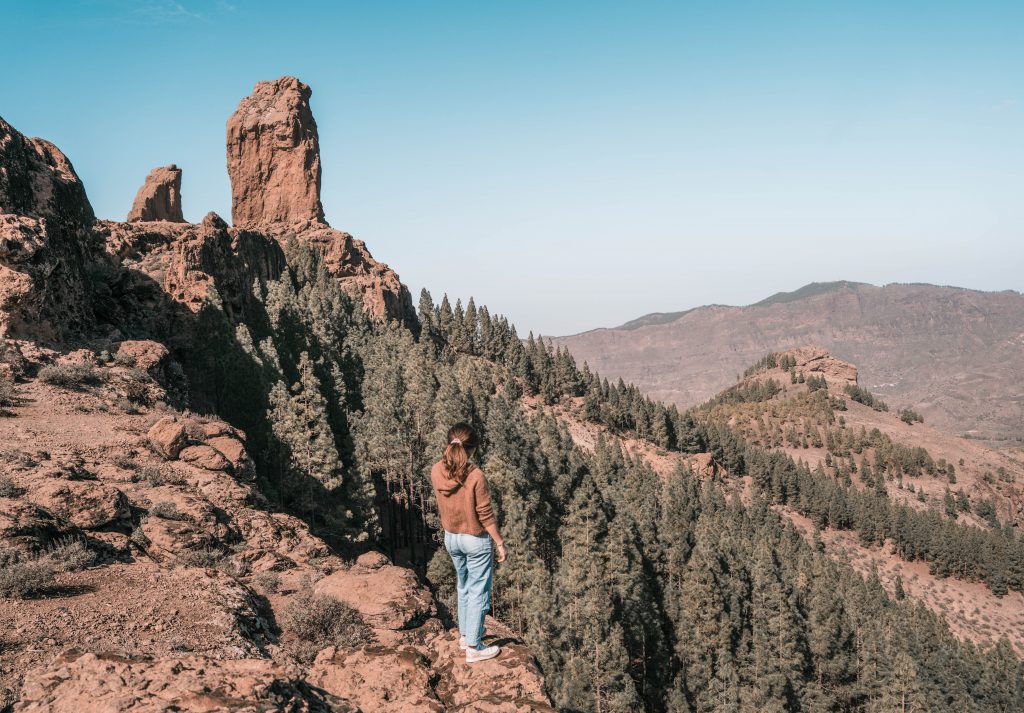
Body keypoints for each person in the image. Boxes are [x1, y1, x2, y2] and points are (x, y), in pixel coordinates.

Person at [430, 422, 508, 663]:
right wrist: (499, 542)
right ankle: (474, 647)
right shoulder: (475, 476)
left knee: (463, 585)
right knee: (478, 591)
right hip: (475, 539)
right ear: (472, 450)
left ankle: (466, 634)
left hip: (451, 537)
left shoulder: (436, 471)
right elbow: (485, 514)